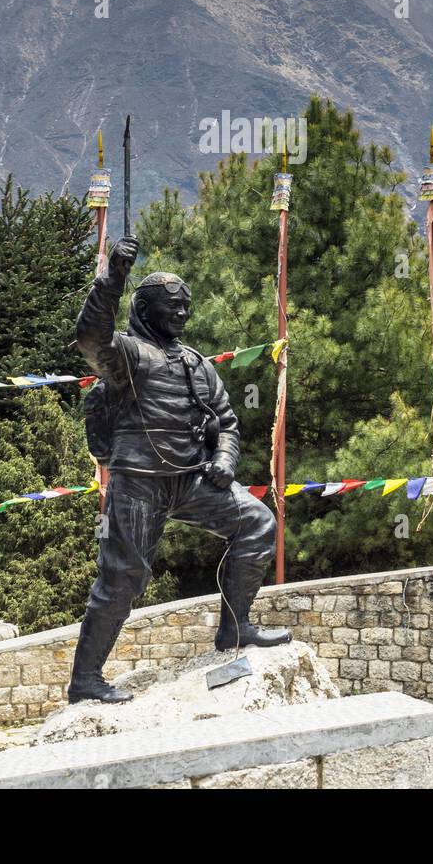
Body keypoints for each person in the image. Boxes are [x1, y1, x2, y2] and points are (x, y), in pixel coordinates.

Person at [68, 235, 291, 704]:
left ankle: (236, 629)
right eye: (172, 306)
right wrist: (113, 278)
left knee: (257, 523)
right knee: (123, 578)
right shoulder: (126, 356)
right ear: (145, 310)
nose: (182, 314)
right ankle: (85, 679)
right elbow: (89, 336)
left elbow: (226, 421)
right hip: (138, 486)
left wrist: (225, 461)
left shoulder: (197, 364)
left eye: (186, 306)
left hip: (190, 481)